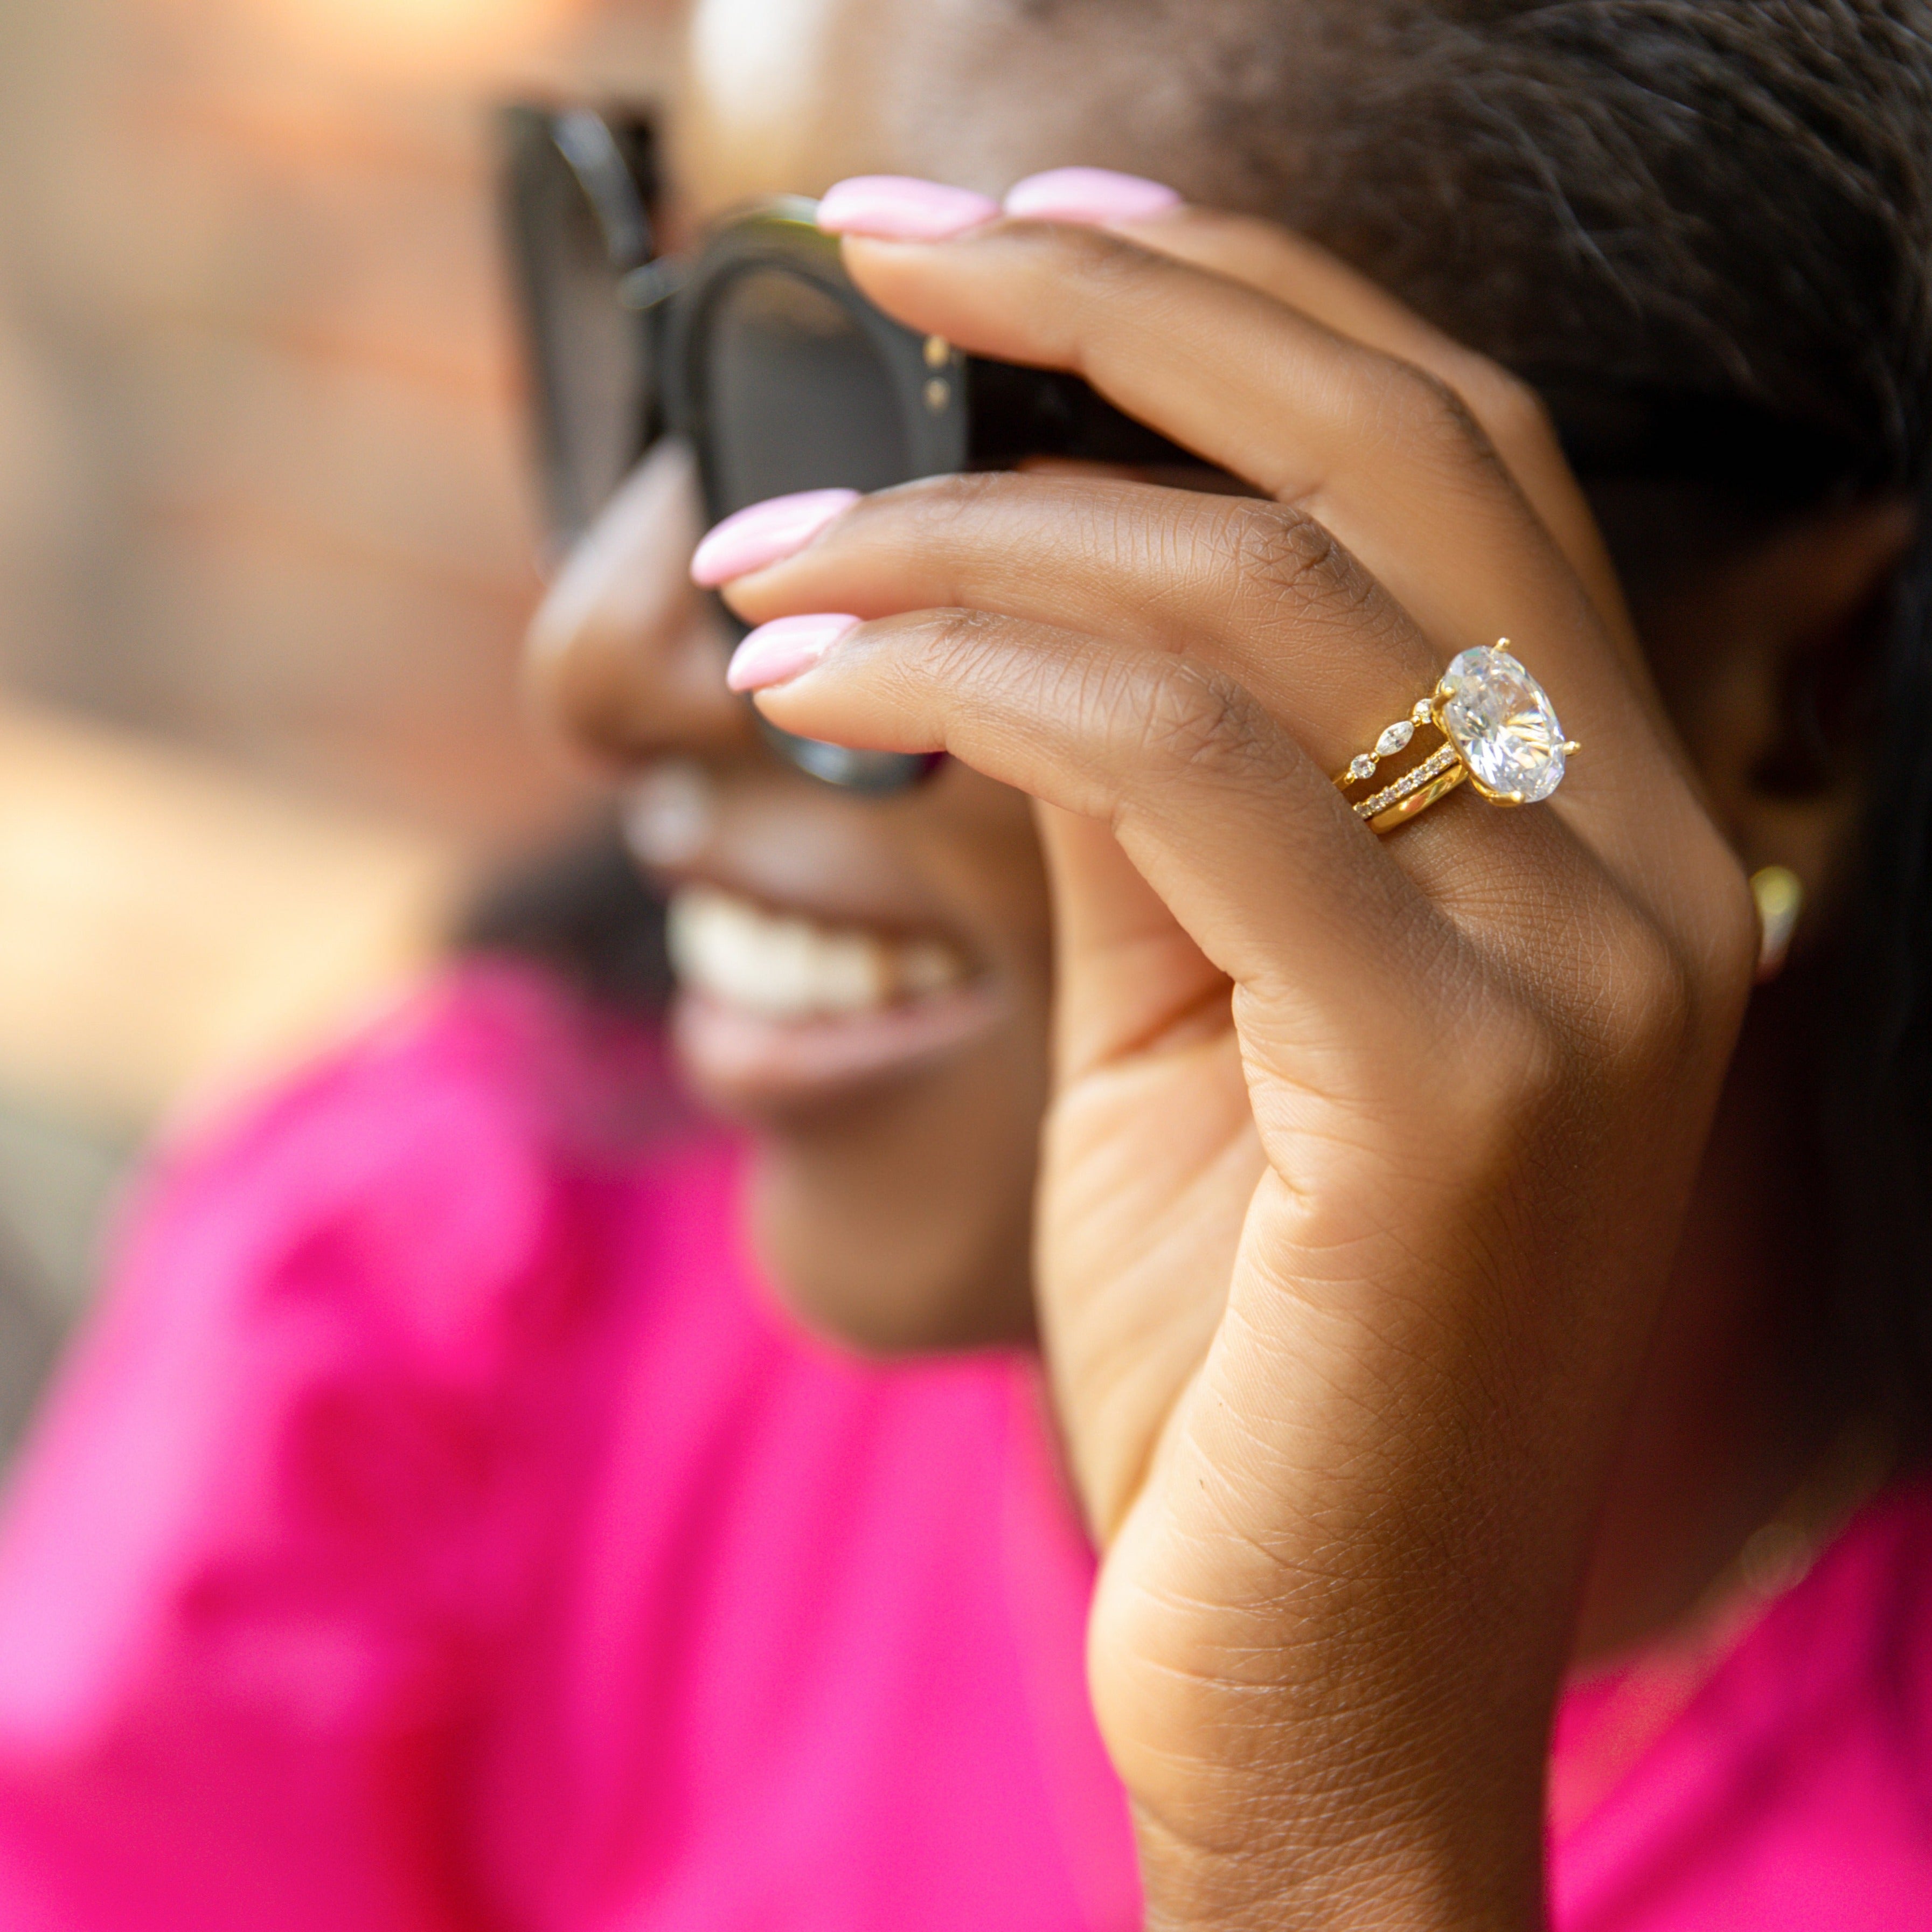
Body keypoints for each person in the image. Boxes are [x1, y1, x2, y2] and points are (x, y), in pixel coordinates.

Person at [0, 2, 1928, 1924]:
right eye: (653, 325)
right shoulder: (457, 1297)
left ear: (1799, 695)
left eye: (879, 424)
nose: (591, 656)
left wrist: (1317, 1825)